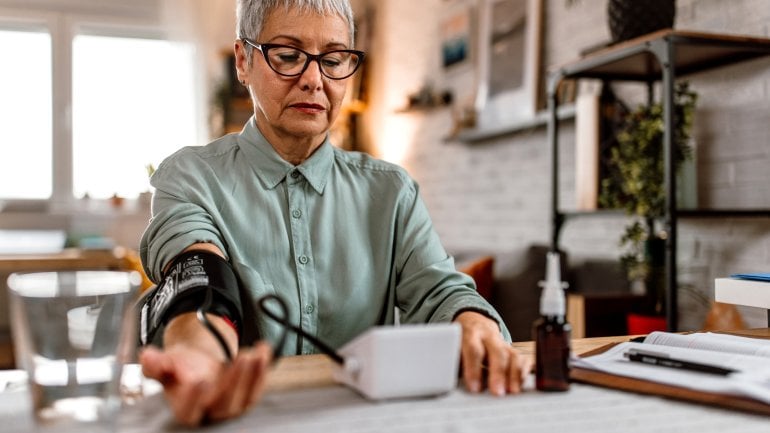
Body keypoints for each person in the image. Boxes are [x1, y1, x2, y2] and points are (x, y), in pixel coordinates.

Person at [138, 0, 531, 427]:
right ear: (243, 61)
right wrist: (200, 353)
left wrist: (472, 322)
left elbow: (438, 291)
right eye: (287, 56)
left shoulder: (391, 191)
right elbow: (200, 282)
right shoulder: (190, 175)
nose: (313, 79)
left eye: (334, 59)